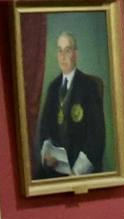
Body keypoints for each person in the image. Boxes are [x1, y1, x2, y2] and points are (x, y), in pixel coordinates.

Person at [31, 26, 110, 179]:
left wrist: (76, 172)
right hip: (55, 167)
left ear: (76, 54)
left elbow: (97, 137)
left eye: (67, 50)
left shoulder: (89, 86)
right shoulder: (53, 87)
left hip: (79, 168)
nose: (63, 57)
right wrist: (47, 154)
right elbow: (44, 129)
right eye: (60, 51)